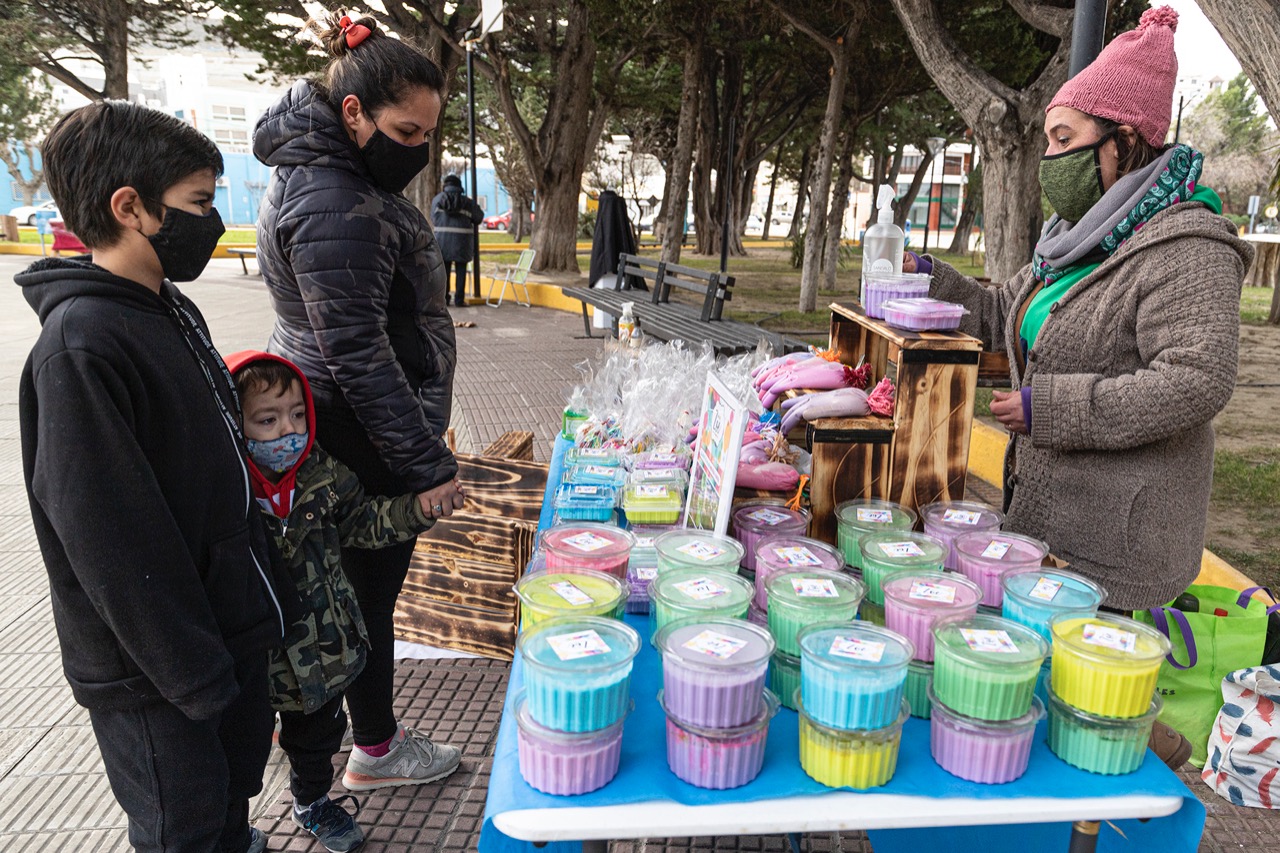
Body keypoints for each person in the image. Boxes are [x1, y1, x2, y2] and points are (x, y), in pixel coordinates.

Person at [903, 6, 1251, 766]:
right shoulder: (1075, 241)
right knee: (1043, 723)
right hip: (1049, 528)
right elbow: (1009, 314)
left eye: (1064, 140)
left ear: (1123, 142)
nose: (1049, 157)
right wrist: (932, 279)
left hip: (1120, 546)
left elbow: (1195, 381)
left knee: (1095, 734)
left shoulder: (1186, 245)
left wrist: (1048, 407)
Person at [18, 101, 298, 853]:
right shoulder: (79, 348)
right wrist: (196, 676)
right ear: (130, 208)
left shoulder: (171, 310)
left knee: (229, 799)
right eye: (199, 203)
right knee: (185, 826)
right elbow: (107, 540)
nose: (210, 221)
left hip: (219, 633)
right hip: (157, 671)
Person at [253, 10, 465, 791]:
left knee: (357, 591)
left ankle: (359, 738)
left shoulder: (319, 174)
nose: (418, 151)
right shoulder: (335, 202)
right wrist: (425, 463)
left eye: (427, 135)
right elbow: (360, 355)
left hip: (347, 415)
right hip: (360, 429)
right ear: (354, 114)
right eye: (406, 133)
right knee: (367, 596)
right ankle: (370, 749)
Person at [227, 351, 439, 851]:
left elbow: (363, 521)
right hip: (256, 661)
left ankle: (313, 800)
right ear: (235, 424)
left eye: (298, 415)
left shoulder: (320, 470)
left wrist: (417, 510)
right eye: (268, 419)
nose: (288, 431)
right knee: (242, 746)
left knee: (318, 735)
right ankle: (230, 827)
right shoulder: (225, 492)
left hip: (321, 651)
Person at [431, 173, 485, 307]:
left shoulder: (437, 200)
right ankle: (459, 300)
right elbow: (478, 217)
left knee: (445, 272)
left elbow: (433, 218)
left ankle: (445, 299)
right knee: (461, 271)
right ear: (459, 186)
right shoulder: (467, 202)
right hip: (462, 243)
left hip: (442, 242)